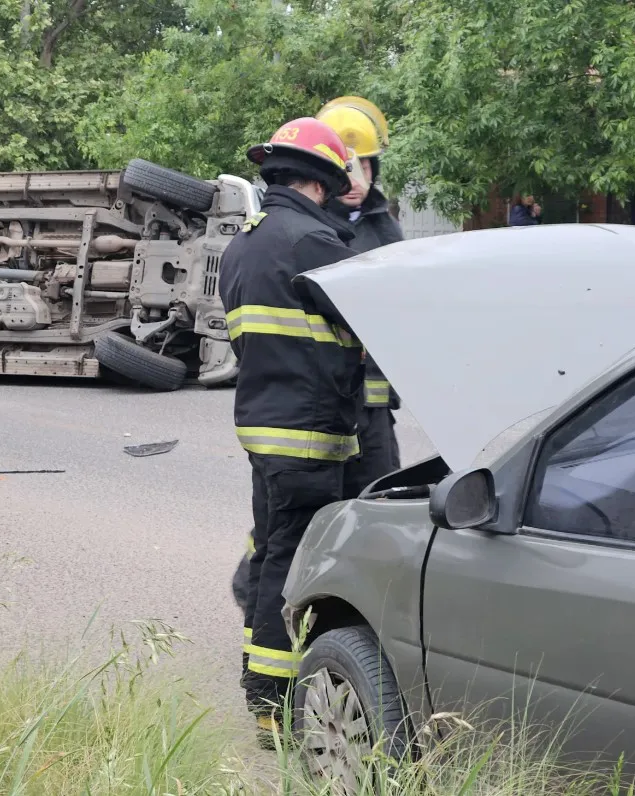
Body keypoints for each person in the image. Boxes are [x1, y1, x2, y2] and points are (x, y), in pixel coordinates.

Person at [219, 117, 362, 742]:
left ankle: (258, 675)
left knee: (271, 546)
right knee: (293, 560)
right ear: (324, 181)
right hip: (309, 433)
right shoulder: (314, 244)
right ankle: (272, 701)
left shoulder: (241, 246)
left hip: (262, 430)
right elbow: (367, 328)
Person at [316, 96, 404, 497]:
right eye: (345, 166)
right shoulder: (310, 227)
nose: (354, 177)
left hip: (375, 408)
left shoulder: (385, 228)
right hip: (323, 400)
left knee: (381, 498)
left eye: (363, 165)